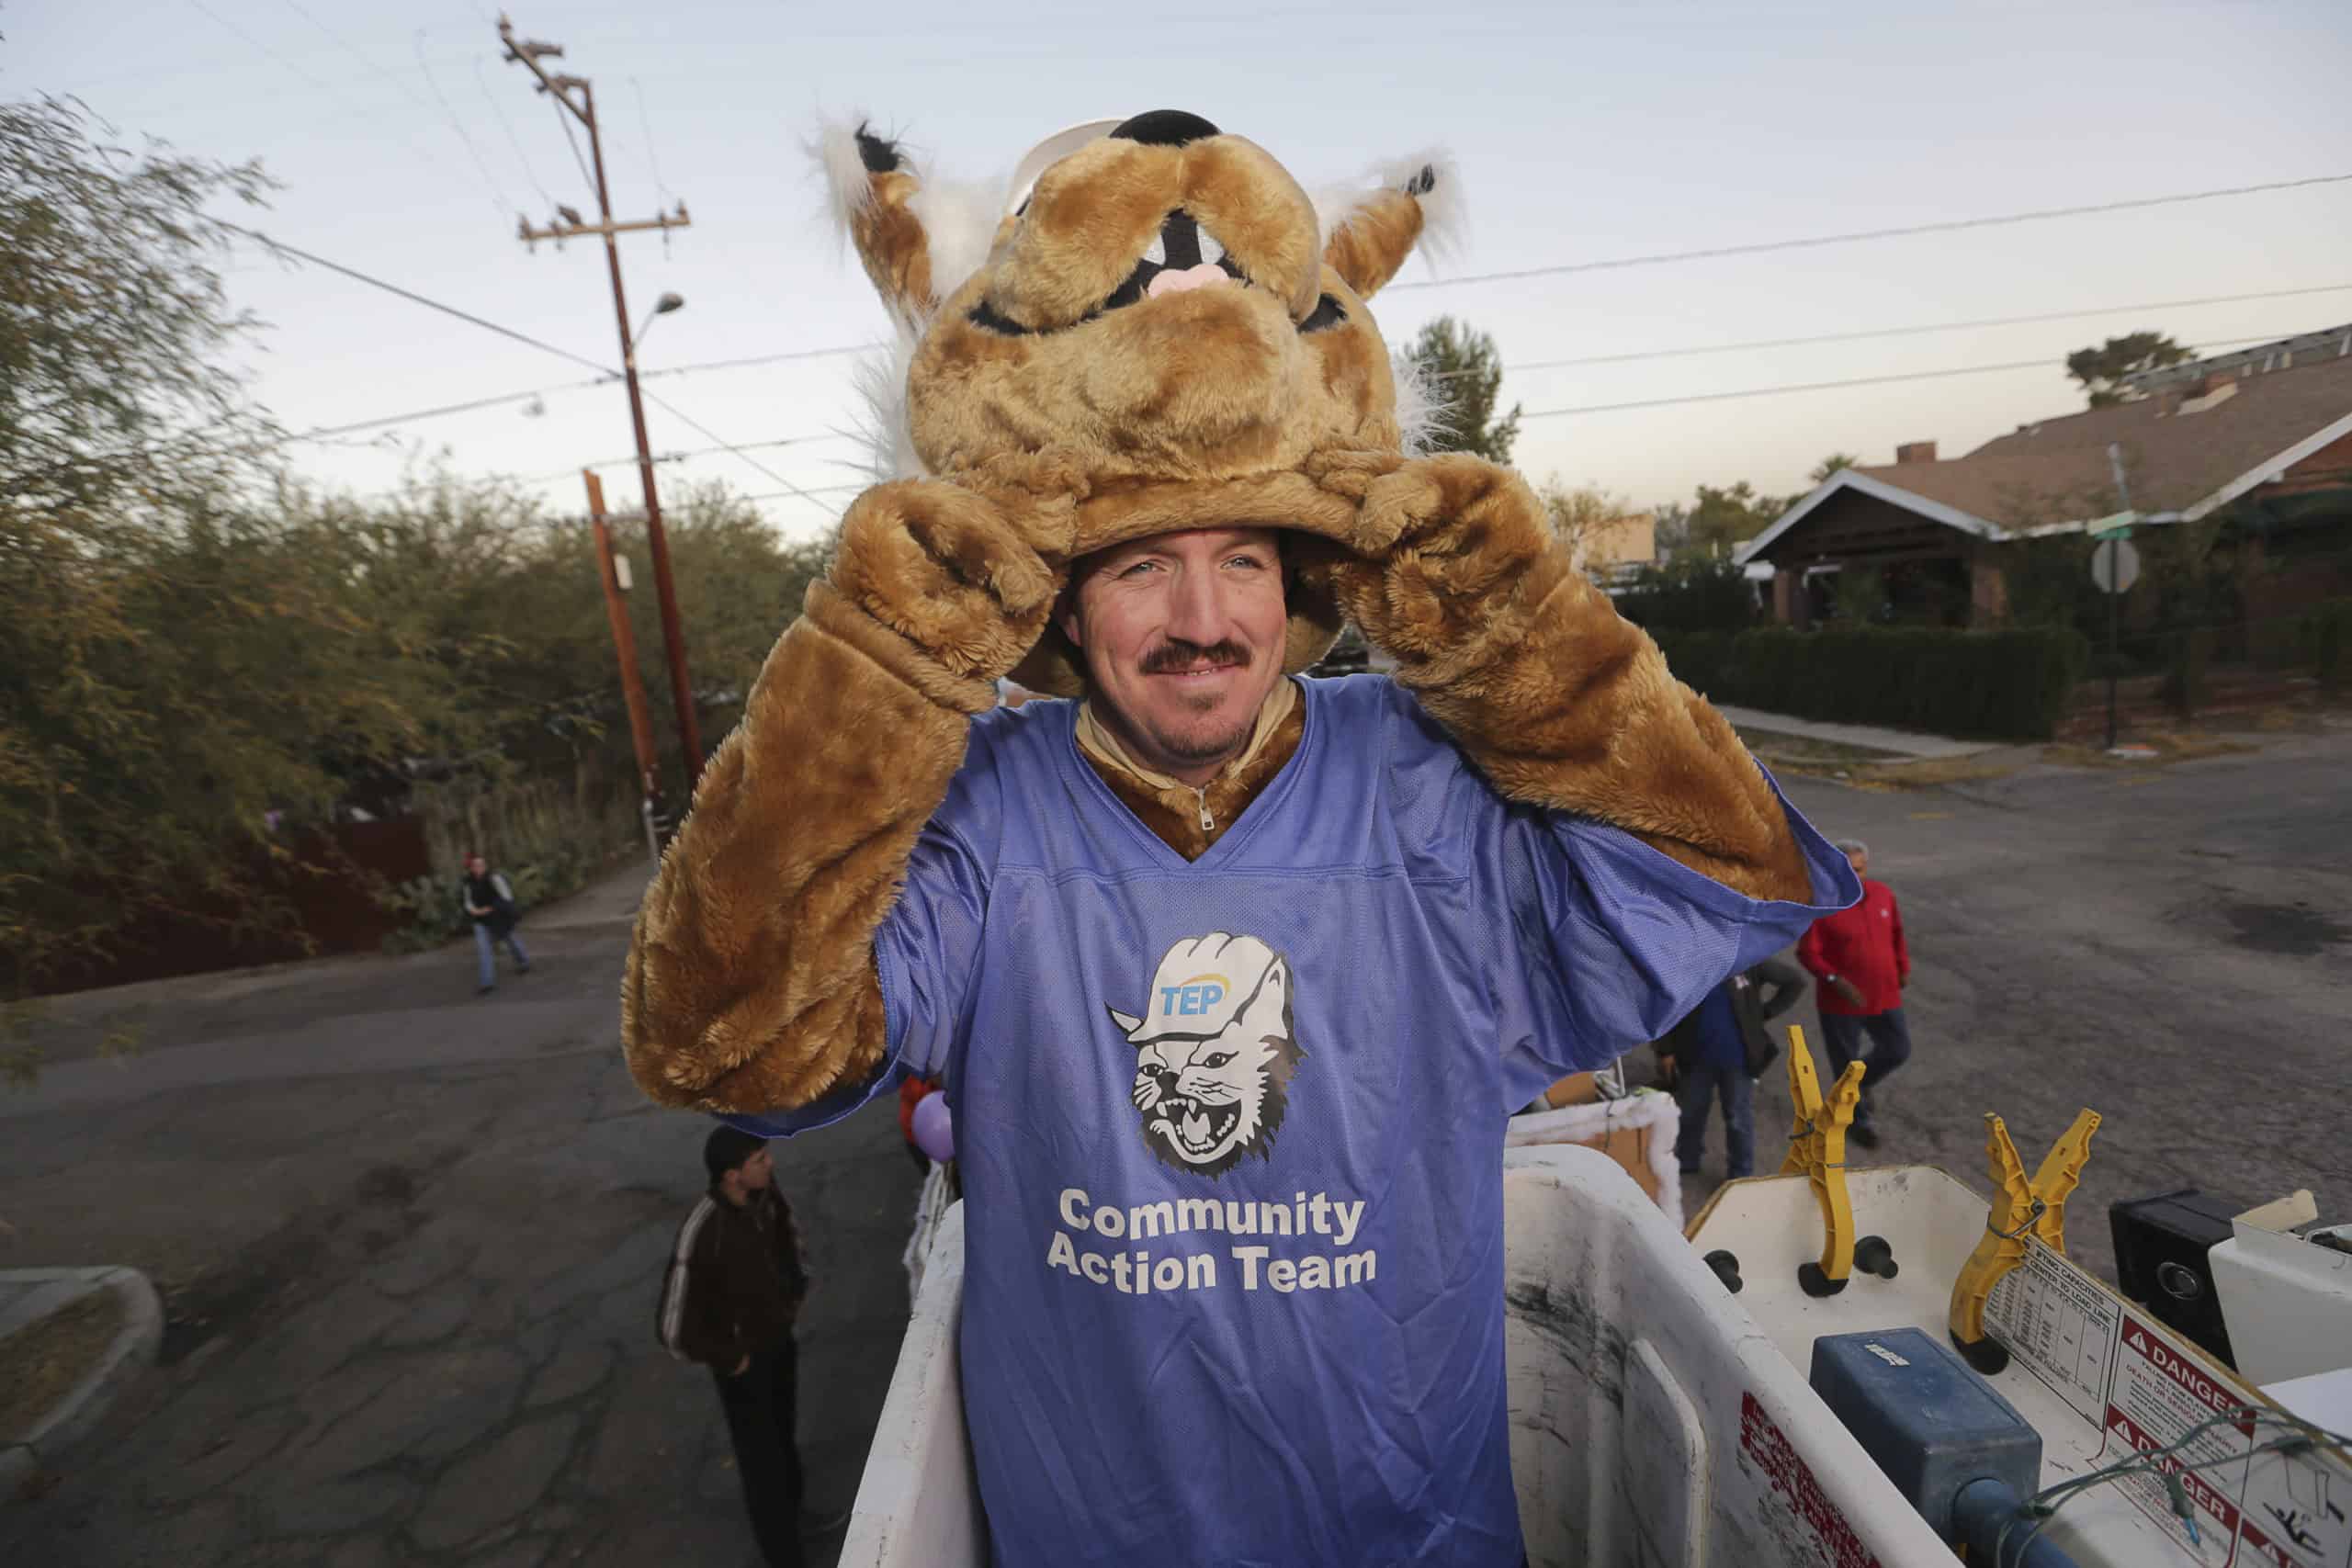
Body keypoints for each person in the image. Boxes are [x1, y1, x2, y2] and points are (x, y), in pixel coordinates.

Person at [621, 111, 1859, 1567]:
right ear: (1064, 603)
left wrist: (1520, 631)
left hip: (1415, 1536)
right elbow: (725, 1042)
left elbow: (1726, 871)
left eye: (1244, 560)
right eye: (1141, 565)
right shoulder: (985, 810)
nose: (1202, 619)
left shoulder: (1423, 781)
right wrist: (874, 663)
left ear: (1302, 584)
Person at [656, 1128, 842, 1566]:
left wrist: (793, 1297)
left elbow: (791, 1244)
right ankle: (783, 1555)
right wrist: (731, 1358)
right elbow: (672, 1328)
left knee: (784, 1439)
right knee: (761, 1465)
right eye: (759, 1159)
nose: (769, 1163)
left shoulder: (767, 1198)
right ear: (732, 1176)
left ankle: (796, 1518)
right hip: (743, 1369)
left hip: (779, 1345)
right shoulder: (703, 1230)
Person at [1796, 839, 1913, 1149]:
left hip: (1884, 994)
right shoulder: (1822, 905)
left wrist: (1902, 967)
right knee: (1846, 1063)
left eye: (1860, 870)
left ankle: (1860, 1086)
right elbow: (1808, 953)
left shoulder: (1883, 895)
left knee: (1898, 1049)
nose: (1855, 877)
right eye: (1848, 871)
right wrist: (1835, 980)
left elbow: (1897, 934)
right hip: (1841, 1003)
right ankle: (1858, 1121)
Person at [1657, 956, 1808, 1179]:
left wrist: (1763, 1013)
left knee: (1738, 1118)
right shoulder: (1689, 963)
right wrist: (1665, 1050)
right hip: (1695, 1057)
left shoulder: (1748, 961)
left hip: (1738, 1061)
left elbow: (1795, 981)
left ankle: (1741, 1173)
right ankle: (1687, 1159)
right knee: (1690, 1113)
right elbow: (1667, 1006)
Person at [458, 852, 529, 995]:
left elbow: (507, 897)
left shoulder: (494, 878)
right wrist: (475, 911)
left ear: (485, 866)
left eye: (481, 865)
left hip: (499, 917)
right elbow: (467, 902)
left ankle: (523, 962)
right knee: (484, 950)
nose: (479, 868)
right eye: (475, 865)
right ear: (471, 868)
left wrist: (490, 909)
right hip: (480, 921)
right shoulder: (468, 883)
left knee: (511, 940)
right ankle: (487, 982)